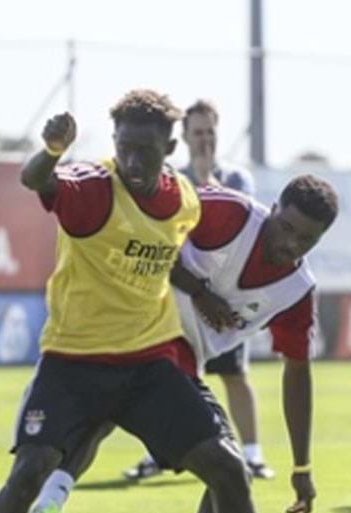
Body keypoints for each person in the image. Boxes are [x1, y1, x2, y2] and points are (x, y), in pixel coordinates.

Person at [0, 89, 311, 513]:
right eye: (124, 147)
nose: (132, 161)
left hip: (148, 362)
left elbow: (168, 250)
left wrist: (199, 290)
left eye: (144, 151)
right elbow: (39, 181)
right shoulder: (94, 188)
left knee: (228, 467)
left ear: (169, 148)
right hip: (72, 363)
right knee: (30, 470)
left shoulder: (185, 202)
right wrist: (51, 151)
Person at [23, 175, 338, 513]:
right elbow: (148, 236)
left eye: (305, 239)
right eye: (286, 227)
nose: (291, 243)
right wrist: (200, 290)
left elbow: (297, 372)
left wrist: (303, 464)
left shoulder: (297, 291)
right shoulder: (227, 213)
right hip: (137, 322)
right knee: (210, 457)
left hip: (182, 359)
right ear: (273, 208)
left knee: (225, 467)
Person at [124, 99, 275, 481]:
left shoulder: (237, 178)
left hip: (225, 293)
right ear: (184, 137)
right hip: (180, 293)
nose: (205, 140)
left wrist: (210, 179)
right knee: (169, 376)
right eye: (198, 133)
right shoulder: (172, 176)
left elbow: (239, 218)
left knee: (235, 374)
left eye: (210, 132)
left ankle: (253, 454)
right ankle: (156, 453)